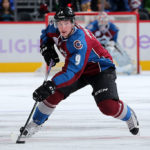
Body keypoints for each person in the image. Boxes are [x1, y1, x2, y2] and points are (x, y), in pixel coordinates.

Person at [20, 7, 139, 137]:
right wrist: (46, 47)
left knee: (108, 107)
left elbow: (72, 73)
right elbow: (45, 35)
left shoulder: (79, 41)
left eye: (66, 23)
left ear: (73, 23)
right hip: (77, 68)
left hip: (99, 69)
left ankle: (129, 115)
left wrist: (51, 84)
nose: (63, 27)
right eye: (60, 23)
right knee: (53, 94)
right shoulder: (53, 28)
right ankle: (36, 123)